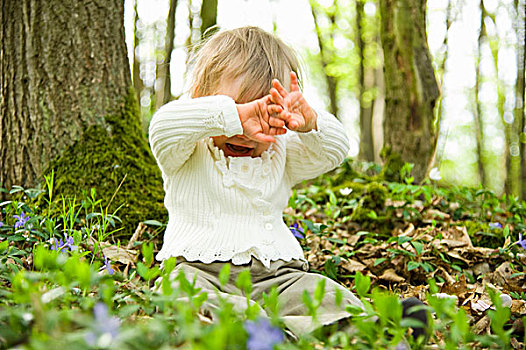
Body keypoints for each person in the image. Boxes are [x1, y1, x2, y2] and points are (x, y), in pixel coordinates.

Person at [149, 26, 427, 340]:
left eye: (264, 115)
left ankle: (369, 331)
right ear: (203, 99)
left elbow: (335, 150)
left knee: (320, 295)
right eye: (239, 113)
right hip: (200, 270)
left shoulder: (281, 153)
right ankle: (257, 333)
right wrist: (234, 116)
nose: (246, 132)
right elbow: (163, 126)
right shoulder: (188, 149)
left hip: (280, 275)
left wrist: (309, 123)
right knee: (185, 295)